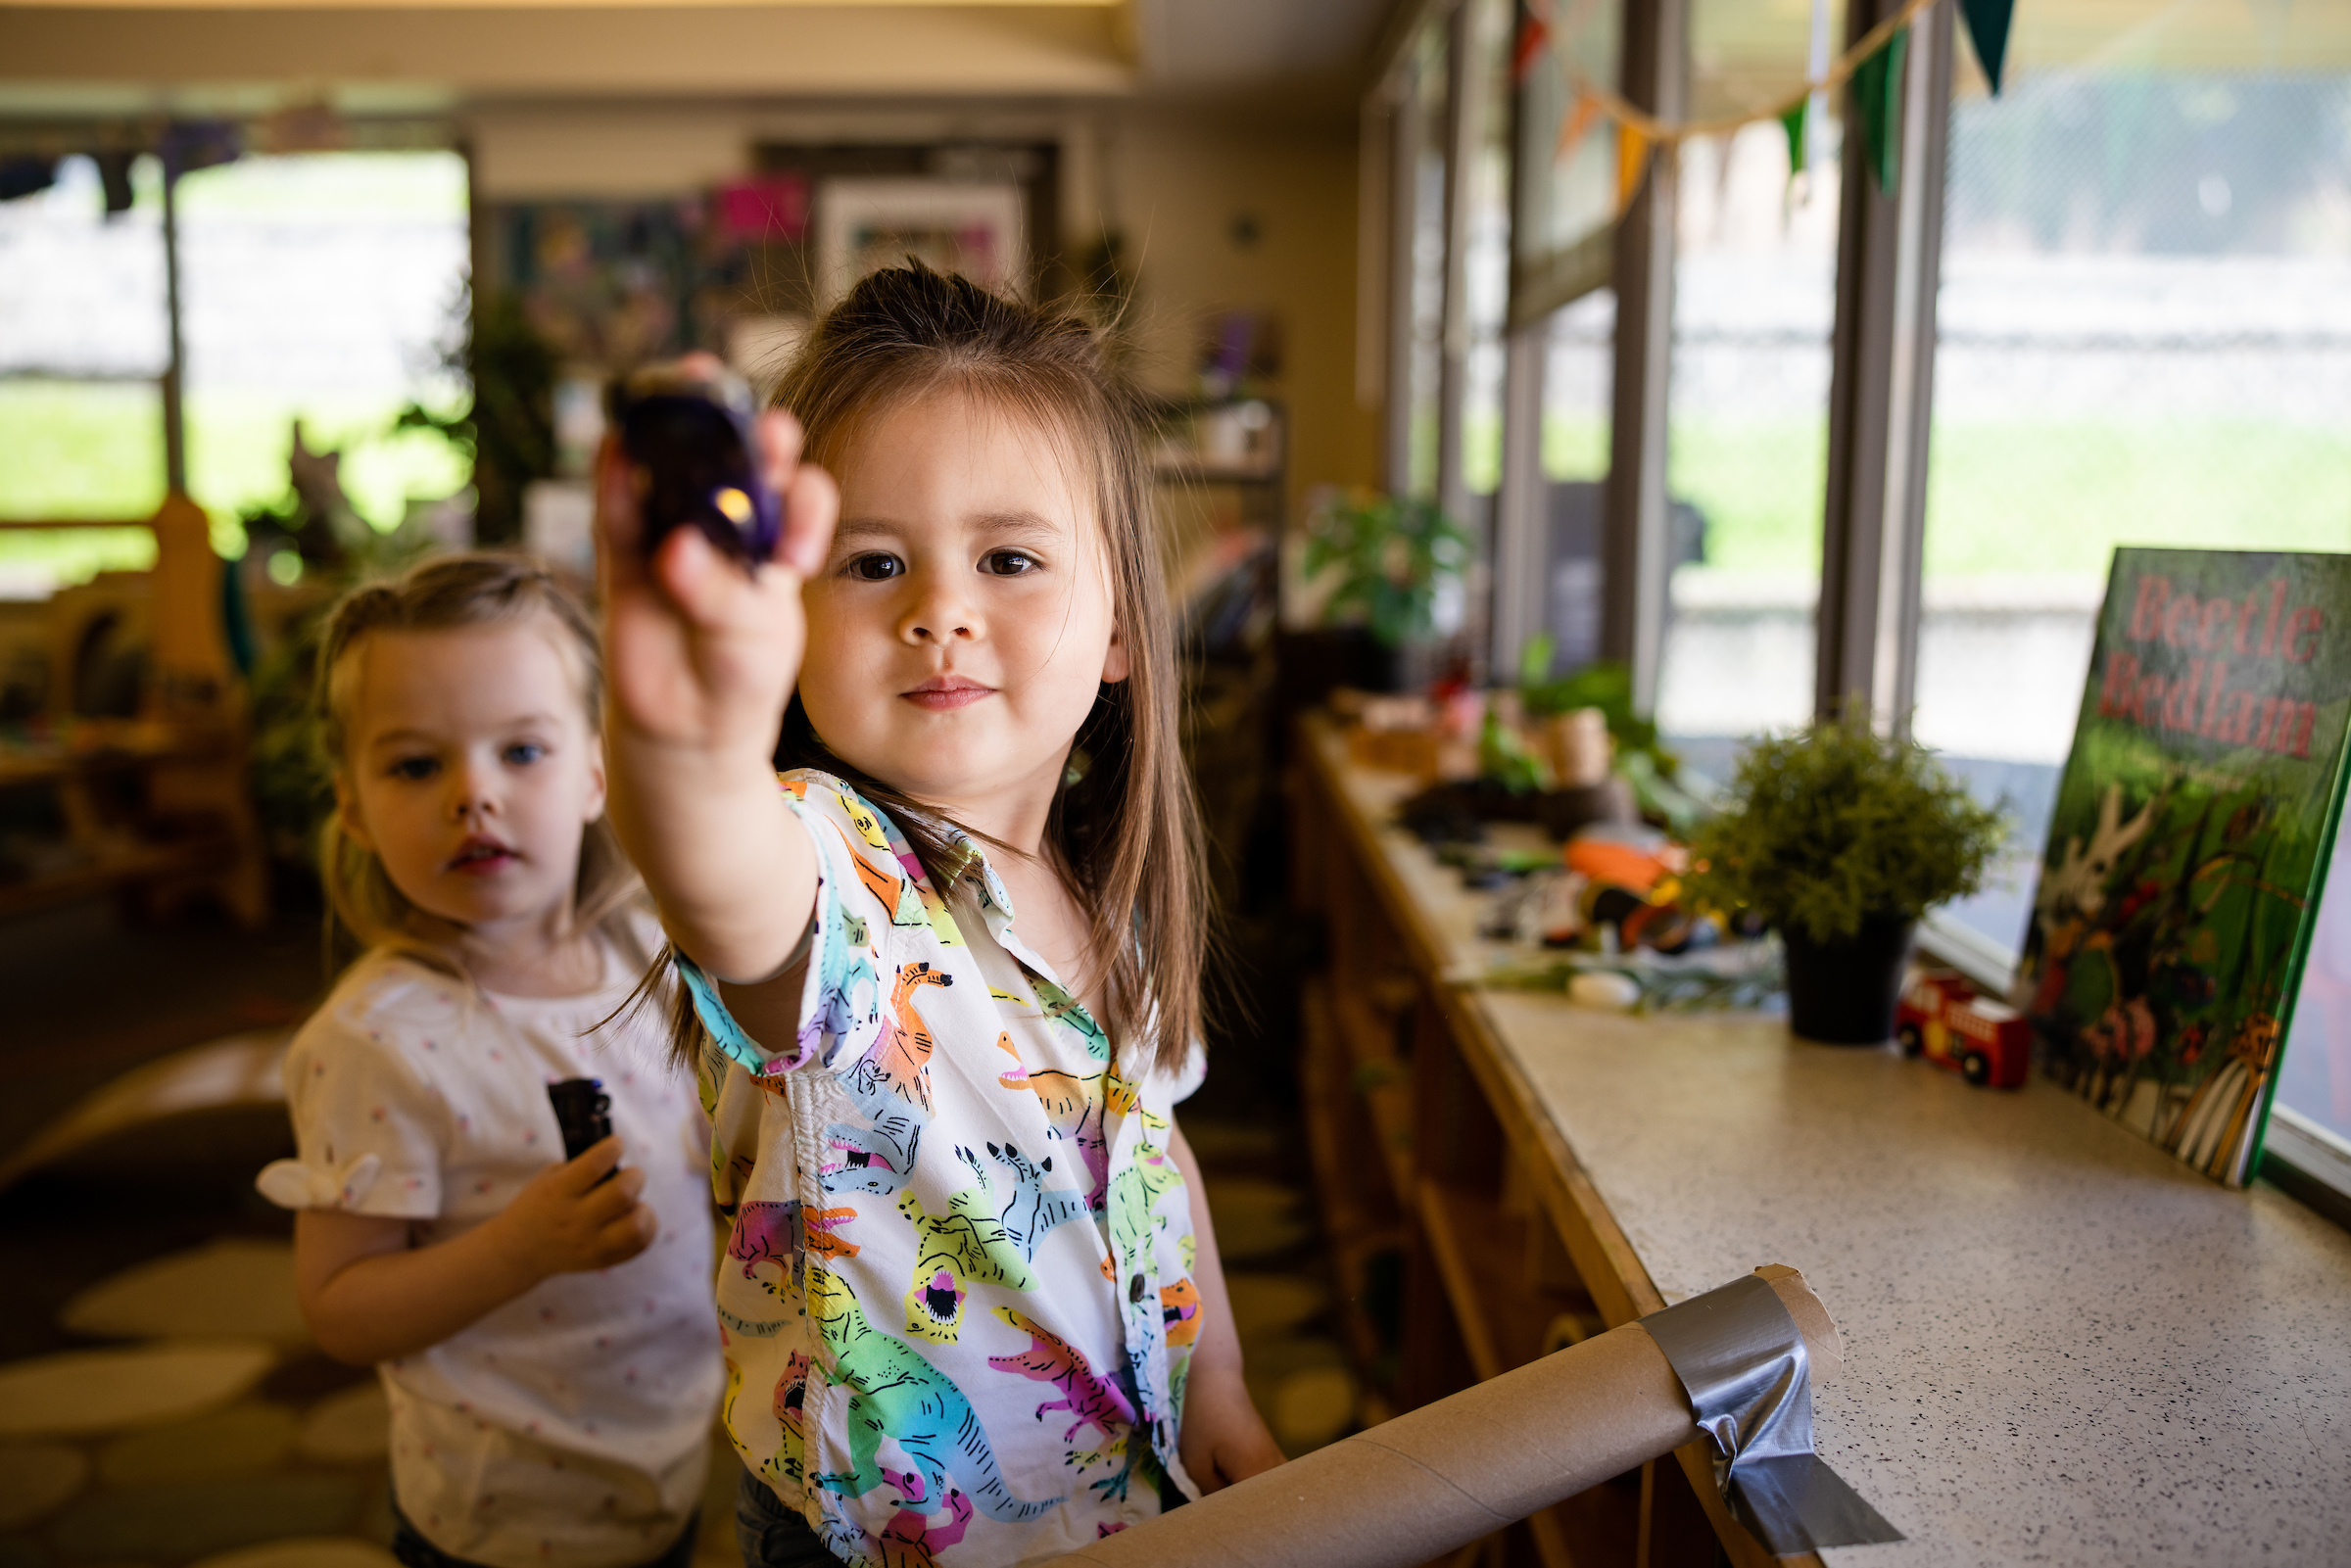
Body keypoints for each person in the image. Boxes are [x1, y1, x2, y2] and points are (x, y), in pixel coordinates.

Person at [599, 265, 1286, 1568]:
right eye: (872, 562)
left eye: (1009, 557)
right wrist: (677, 736)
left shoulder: (1102, 893)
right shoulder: (836, 872)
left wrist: (1222, 1385)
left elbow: (1157, 1157)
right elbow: (716, 870)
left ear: (1124, 629)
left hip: (1117, 1502)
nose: (939, 609)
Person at [257, 554, 724, 1568]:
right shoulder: (375, 1040)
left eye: (521, 749)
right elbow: (340, 1307)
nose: (474, 794)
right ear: (350, 803)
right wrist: (518, 1247)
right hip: (504, 1506)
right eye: (417, 765)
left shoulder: (645, 948)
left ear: (595, 770)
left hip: (673, 1446)